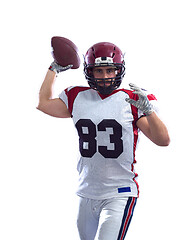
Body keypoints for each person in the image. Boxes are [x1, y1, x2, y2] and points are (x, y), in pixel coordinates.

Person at [37, 42, 170, 240]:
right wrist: (53, 69)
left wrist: (149, 111)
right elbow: (44, 104)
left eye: (110, 70)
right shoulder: (77, 96)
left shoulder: (131, 99)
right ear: (89, 71)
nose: (105, 76)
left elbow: (163, 140)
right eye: (99, 71)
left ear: (119, 70)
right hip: (87, 190)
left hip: (120, 191)